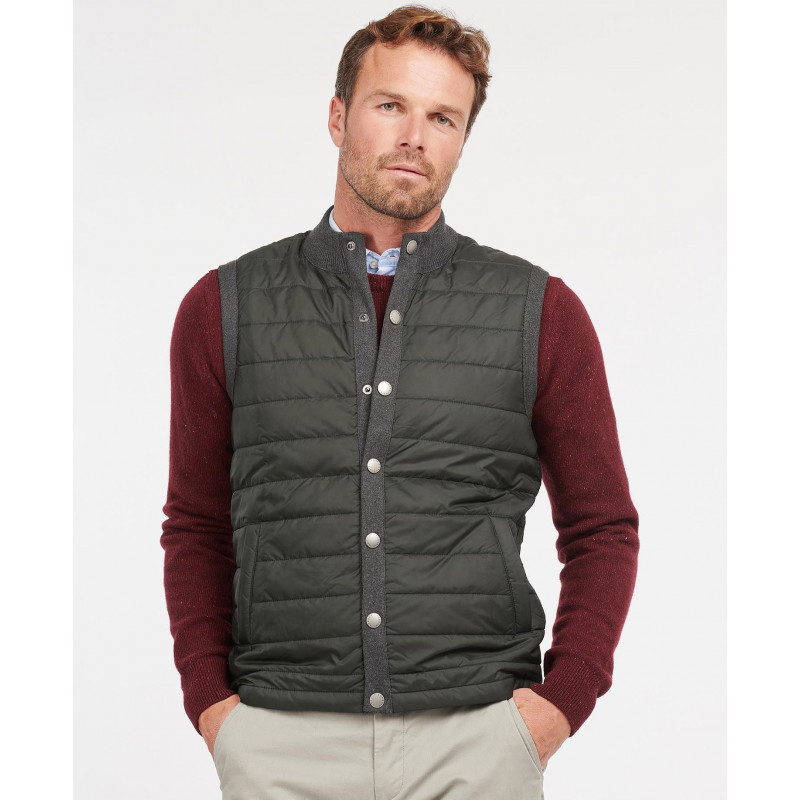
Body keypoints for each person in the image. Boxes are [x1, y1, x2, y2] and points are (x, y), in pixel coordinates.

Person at [161, 6, 639, 799]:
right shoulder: (223, 307)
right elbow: (196, 524)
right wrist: (214, 706)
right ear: (338, 116)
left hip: (479, 741)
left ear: (462, 139)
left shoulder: (541, 311)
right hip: (282, 742)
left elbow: (602, 527)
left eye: (443, 117)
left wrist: (560, 704)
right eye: (391, 106)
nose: (415, 136)